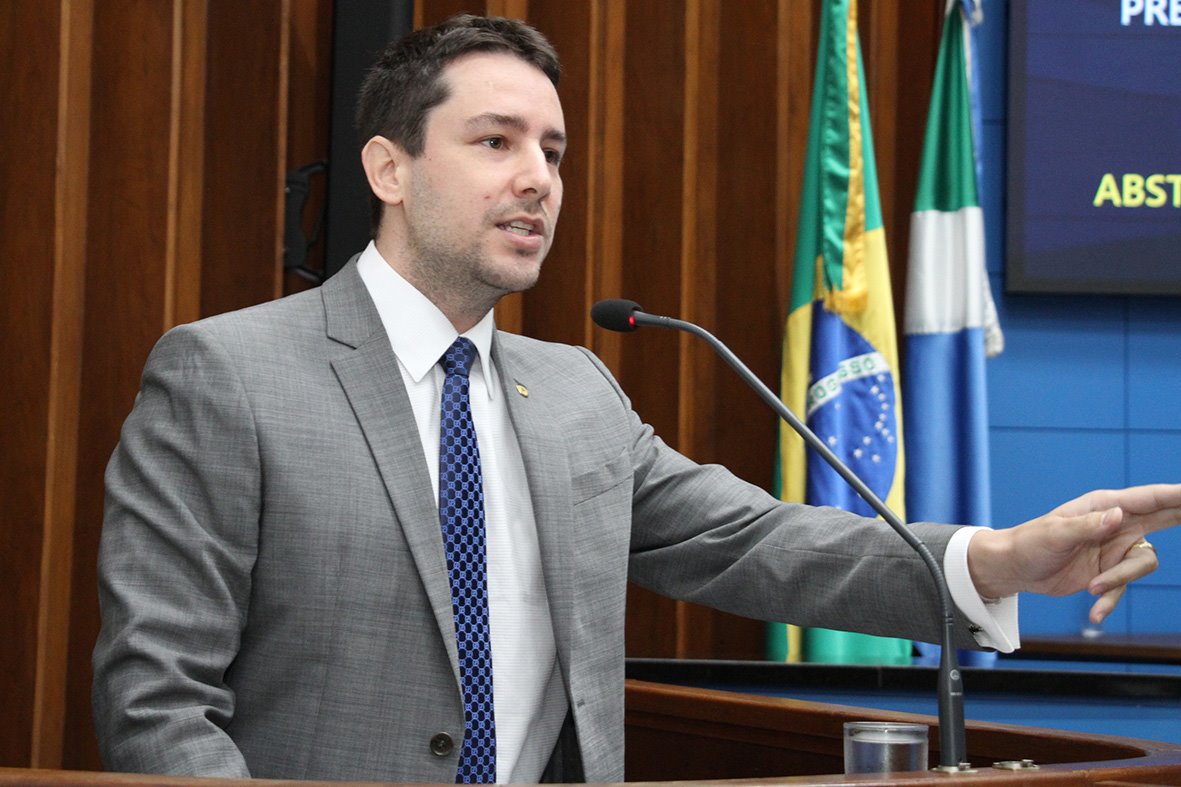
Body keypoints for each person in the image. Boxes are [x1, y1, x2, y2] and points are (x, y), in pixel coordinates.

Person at [92, 14, 1177, 784]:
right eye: (494, 141)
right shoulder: (229, 373)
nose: (538, 178)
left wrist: (1000, 559)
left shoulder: (573, 390)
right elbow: (156, 698)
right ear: (388, 168)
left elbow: (758, 543)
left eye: (552, 151)